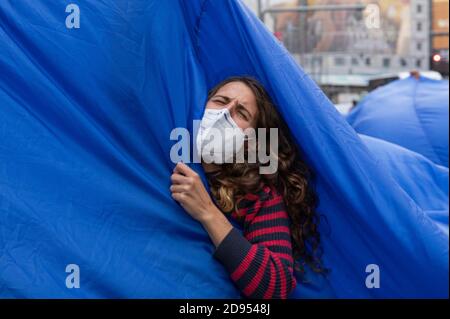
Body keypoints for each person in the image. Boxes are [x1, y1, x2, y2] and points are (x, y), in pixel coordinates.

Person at [170, 76, 325, 299]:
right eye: (220, 101)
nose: (225, 113)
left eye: (241, 113)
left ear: (251, 140)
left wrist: (208, 213)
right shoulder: (163, 152)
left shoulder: (259, 197)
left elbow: (275, 286)